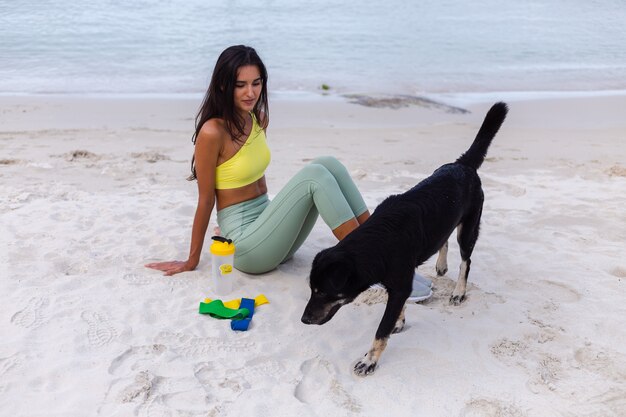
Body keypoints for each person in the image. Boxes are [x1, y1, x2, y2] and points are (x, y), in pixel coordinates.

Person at [145, 45, 432, 301]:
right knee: (315, 177)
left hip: (270, 232)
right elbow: (206, 200)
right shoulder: (212, 132)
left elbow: (258, 181)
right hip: (248, 249)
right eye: (240, 85)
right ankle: (378, 264)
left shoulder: (258, 118)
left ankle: (386, 249)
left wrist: (270, 220)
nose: (251, 92)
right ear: (223, 87)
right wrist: (191, 259)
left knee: (328, 163)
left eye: (256, 83)